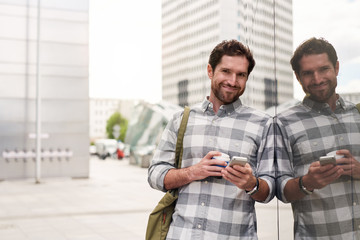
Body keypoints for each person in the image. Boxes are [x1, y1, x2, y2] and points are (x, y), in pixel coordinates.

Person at [148, 39, 275, 239]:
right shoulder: (181, 120)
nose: (233, 81)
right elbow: (155, 174)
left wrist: (251, 183)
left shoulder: (263, 124)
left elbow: (269, 190)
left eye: (241, 75)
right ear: (210, 71)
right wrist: (193, 172)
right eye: (226, 71)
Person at [275, 37, 360, 239]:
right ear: (297, 76)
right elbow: (279, 190)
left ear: (337, 67)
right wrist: (307, 182)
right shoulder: (283, 123)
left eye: (324, 69)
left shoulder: (358, 115)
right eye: (308, 73)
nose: (317, 79)